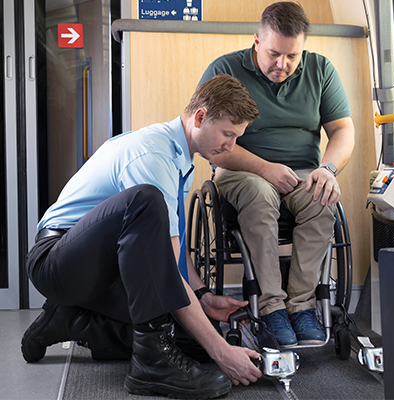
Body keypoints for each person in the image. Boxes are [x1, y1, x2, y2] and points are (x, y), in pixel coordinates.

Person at [21, 74, 263, 399]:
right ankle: (151, 367)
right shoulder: (153, 156)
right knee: (144, 200)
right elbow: (167, 275)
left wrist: (203, 296)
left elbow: (171, 256)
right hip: (56, 263)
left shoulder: (180, 158)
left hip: (99, 272)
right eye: (228, 134)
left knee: (190, 341)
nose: (230, 147)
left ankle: (69, 320)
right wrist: (222, 351)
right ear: (201, 117)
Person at [198, 2, 355, 348]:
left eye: (291, 56)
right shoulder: (225, 70)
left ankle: (301, 306)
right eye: (273, 54)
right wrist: (265, 168)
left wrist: (327, 170)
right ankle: (271, 309)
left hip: (302, 173)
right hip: (240, 170)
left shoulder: (320, 70)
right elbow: (211, 140)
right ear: (256, 40)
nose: (281, 65)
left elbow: (343, 129)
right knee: (259, 192)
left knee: (323, 197)